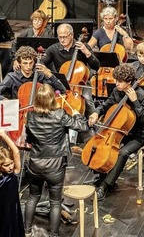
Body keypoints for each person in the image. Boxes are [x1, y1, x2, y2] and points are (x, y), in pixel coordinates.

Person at [22, 84, 89, 237]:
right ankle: (53, 234)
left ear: (37, 100)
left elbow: (29, 140)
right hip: (55, 165)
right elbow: (82, 127)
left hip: (35, 163)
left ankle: (26, 232)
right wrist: (78, 115)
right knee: (55, 202)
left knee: (32, 197)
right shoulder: (60, 114)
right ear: (52, 99)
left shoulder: (30, 116)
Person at [87, 63, 144, 200]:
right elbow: (106, 105)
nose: (116, 84)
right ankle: (101, 174)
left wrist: (136, 102)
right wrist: (96, 113)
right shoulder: (117, 92)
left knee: (123, 153)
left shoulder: (142, 95)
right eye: (116, 81)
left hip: (136, 135)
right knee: (99, 145)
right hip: (117, 131)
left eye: (120, 82)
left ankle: (105, 186)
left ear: (129, 81)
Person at [40, 23, 100, 116]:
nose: (62, 40)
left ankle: (92, 123)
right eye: (60, 37)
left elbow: (96, 66)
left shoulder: (83, 47)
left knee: (87, 99)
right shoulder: (53, 49)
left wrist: (86, 52)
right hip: (61, 83)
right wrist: (44, 69)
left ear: (71, 35)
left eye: (65, 37)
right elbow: (42, 62)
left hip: (80, 84)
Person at [0, 46, 66, 101]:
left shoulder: (40, 76)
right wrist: (6, 100)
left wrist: (49, 74)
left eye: (31, 63)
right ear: (19, 63)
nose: (28, 67)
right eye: (25, 63)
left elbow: (62, 90)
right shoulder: (12, 77)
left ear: (34, 62)